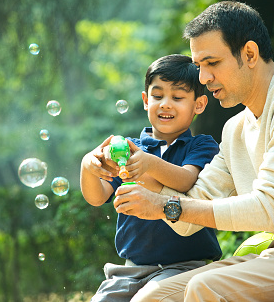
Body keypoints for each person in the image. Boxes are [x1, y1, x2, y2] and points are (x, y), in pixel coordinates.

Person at [108, 1, 274, 301]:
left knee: (206, 288)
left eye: (212, 63)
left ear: (249, 54)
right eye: (199, 67)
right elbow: (187, 218)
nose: (202, 78)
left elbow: (268, 208)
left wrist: (160, 206)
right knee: (153, 297)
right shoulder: (236, 129)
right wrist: (138, 169)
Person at [80, 54, 222, 302]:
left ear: (198, 105)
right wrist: (87, 167)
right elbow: (97, 196)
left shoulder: (201, 145)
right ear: (146, 101)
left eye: (177, 97)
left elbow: (186, 180)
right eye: (158, 96)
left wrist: (149, 163)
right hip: (131, 268)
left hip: (185, 266)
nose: (166, 104)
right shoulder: (127, 148)